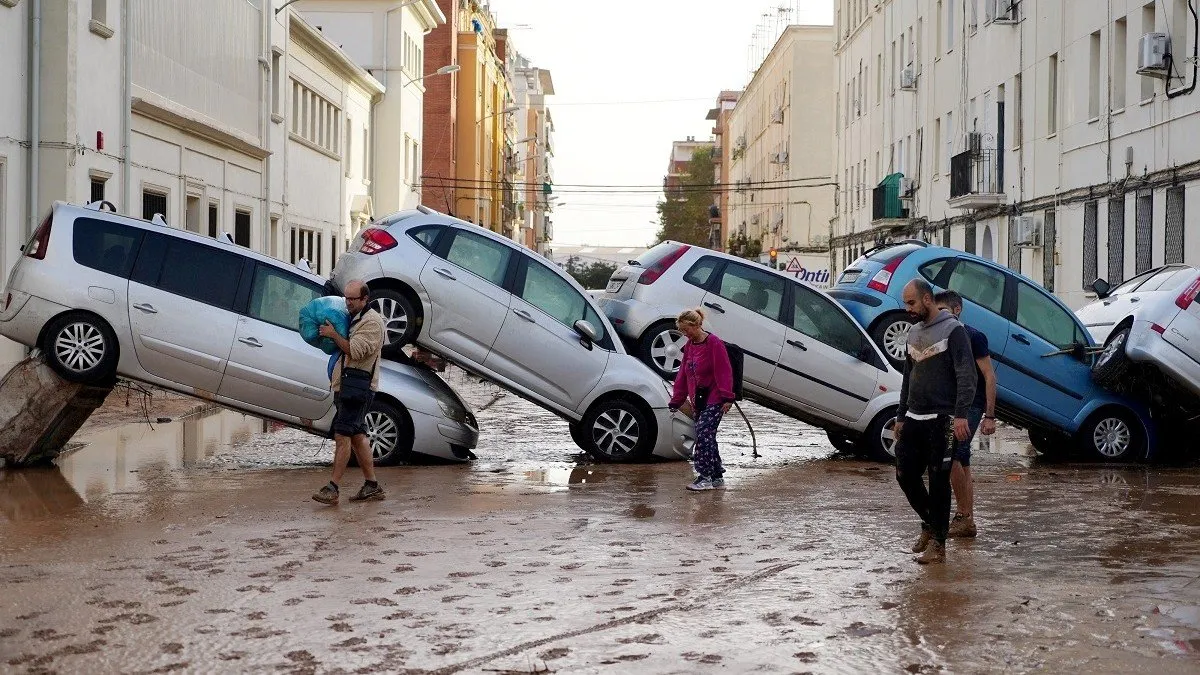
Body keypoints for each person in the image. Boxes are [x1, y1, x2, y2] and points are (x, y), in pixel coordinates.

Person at [894, 279, 977, 564]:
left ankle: (938, 545)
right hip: (914, 417)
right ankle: (931, 524)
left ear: (927, 299)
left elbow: (967, 375)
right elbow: (908, 377)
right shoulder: (913, 332)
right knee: (905, 474)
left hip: (943, 418)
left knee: (939, 480)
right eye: (906, 303)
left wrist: (961, 415)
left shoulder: (954, 331)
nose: (907, 309)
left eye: (911, 303)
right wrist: (901, 415)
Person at [312, 280, 387, 505]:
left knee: (342, 435)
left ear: (365, 299)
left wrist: (333, 334)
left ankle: (332, 488)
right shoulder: (354, 317)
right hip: (347, 386)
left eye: (353, 299)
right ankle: (372, 485)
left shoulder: (372, 323)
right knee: (357, 436)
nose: (348, 303)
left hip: (358, 389)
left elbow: (354, 351)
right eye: (346, 298)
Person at [934, 290, 997, 539]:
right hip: (949, 405)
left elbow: (989, 376)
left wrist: (989, 416)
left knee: (952, 457)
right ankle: (967, 520)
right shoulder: (939, 336)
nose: (939, 316)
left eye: (944, 311)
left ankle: (962, 516)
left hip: (971, 405)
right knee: (962, 460)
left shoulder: (973, 336)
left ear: (957, 310)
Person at [668, 309, 736, 491]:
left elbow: (724, 371)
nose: (685, 334)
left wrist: (727, 397)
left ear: (697, 325)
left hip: (715, 398)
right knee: (708, 437)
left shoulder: (714, 343)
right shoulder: (690, 346)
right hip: (698, 400)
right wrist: (677, 400)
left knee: (703, 434)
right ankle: (717, 477)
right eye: (682, 331)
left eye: (686, 330)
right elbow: (683, 374)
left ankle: (704, 476)